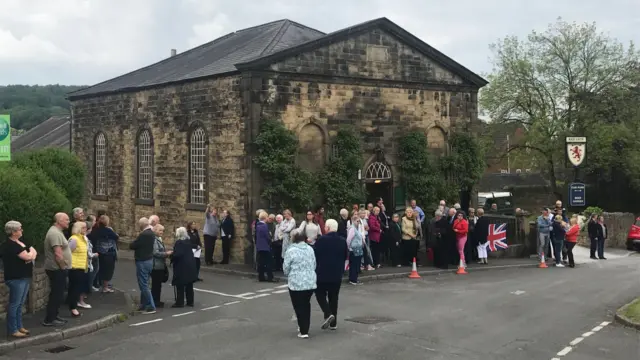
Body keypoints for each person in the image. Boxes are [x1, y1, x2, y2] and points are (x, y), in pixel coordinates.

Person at [2, 221, 36, 337]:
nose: (22, 231)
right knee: (15, 304)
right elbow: (27, 256)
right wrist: (29, 256)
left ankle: (19, 326)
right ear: (13, 232)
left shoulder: (21, 241)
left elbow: (33, 252)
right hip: (16, 277)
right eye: (20, 229)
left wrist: (30, 256)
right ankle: (13, 329)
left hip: (25, 276)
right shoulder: (9, 245)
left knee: (20, 303)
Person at [314, 219, 347, 330]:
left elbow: (315, 255)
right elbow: (345, 255)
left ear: (327, 228)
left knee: (319, 293)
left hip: (322, 272)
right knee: (334, 297)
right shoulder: (342, 240)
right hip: (337, 273)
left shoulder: (321, 240)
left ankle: (328, 313)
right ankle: (333, 323)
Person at [283, 231, 317, 339]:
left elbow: (286, 268)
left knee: (298, 306)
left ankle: (303, 330)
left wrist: (289, 274)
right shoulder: (310, 249)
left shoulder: (291, 250)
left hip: (296, 282)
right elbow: (314, 264)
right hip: (310, 281)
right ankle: (304, 327)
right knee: (306, 305)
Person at [42, 213, 72, 326]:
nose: (69, 221)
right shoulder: (54, 233)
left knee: (58, 294)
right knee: (56, 294)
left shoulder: (58, 232)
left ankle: (54, 315)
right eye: (66, 219)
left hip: (58, 268)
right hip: (56, 269)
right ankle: (49, 319)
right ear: (59, 221)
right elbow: (58, 254)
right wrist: (63, 268)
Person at [130, 217, 157, 314]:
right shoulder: (151, 233)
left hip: (142, 261)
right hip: (149, 260)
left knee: (144, 285)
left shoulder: (143, 235)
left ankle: (151, 306)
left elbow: (133, 245)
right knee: (145, 283)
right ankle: (143, 304)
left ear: (142, 225)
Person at [88, 215, 119, 293]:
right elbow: (116, 237)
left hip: (98, 252)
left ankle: (92, 286)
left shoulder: (95, 230)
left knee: (97, 270)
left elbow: (91, 238)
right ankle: (105, 287)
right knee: (108, 271)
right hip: (108, 254)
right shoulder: (108, 230)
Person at [67, 221, 90, 317]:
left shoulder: (82, 239)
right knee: (75, 288)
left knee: (77, 288)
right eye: (84, 227)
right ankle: (73, 308)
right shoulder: (74, 239)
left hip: (81, 267)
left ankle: (73, 306)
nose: (86, 229)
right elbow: (68, 252)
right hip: (74, 267)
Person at [172, 227, 198, 307]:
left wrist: (171, 256)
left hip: (182, 266)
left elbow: (178, 254)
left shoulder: (179, 243)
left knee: (180, 284)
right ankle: (190, 302)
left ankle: (180, 302)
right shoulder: (188, 241)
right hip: (190, 264)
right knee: (189, 284)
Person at [151, 224, 172, 307]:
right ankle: (155, 301)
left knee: (158, 284)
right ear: (155, 230)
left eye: (162, 230)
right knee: (156, 284)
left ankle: (157, 300)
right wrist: (166, 254)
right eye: (160, 230)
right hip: (156, 265)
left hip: (160, 265)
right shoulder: (154, 240)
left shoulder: (158, 239)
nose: (162, 232)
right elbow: (155, 253)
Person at [255, 211, 275, 282]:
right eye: (267, 217)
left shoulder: (258, 225)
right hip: (265, 247)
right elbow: (267, 237)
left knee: (261, 262)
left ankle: (261, 277)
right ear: (265, 218)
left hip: (260, 247)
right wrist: (270, 241)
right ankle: (270, 277)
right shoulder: (264, 226)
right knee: (269, 262)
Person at [346, 214, 365, 285]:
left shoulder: (357, 229)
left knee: (357, 264)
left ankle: (355, 278)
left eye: (359, 221)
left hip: (358, 249)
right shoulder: (352, 229)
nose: (358, 223)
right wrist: (349, 247)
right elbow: (348, 240)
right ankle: (352, 279)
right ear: (353, 221)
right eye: (357, 221)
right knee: (354, 265)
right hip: (353, 249)